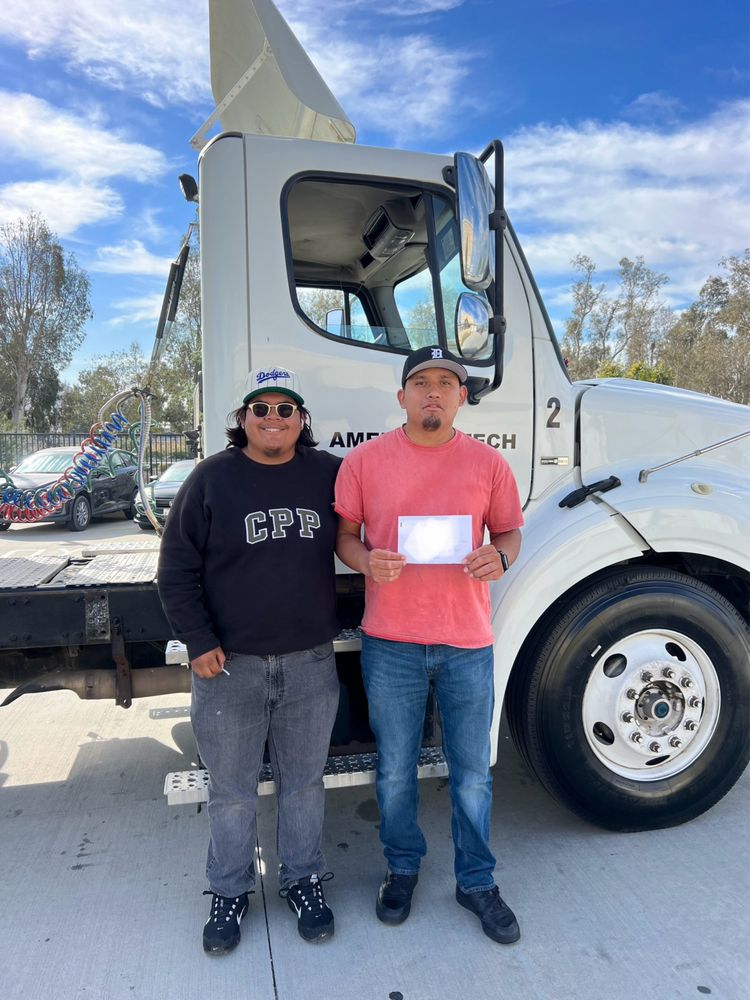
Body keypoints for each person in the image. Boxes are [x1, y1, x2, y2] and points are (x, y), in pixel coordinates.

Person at [334, 345, 524, 945]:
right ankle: (402, 869)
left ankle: (476, 881)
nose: (434, 392)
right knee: (394, 771)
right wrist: (367, 559)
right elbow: (344, 536)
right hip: (391, 644)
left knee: (473, 774)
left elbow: (510, 533)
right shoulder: (365, 462)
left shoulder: (489, 465)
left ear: (461, 397)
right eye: (422, 382)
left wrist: (501, 556)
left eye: (447, 382)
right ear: (402, 397)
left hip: (468, 642)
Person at [158, 366, 341, 954]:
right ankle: (229, 889)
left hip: (310, 663)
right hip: (229, 666)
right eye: (259, 408)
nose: (272, 418)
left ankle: (303, 880)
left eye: (285, 409)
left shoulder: (331, 475)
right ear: (241, 420)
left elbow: (382, 514)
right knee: (232, 791)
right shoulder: (211, 479)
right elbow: (175, 571)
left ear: (302, 420)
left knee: (303, 785)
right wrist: (197, 639)